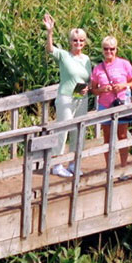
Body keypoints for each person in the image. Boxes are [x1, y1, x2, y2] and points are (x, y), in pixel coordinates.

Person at [43, 13, 92, 177]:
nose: (78, 43)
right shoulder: (64, 55)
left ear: (84, 42)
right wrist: (50, 32)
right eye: (75, 40)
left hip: (80, 96)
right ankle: (56, 164)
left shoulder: (86, 59)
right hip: (65, 96)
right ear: (70, 42)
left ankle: (73, 163)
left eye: (81, 40)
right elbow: (50, 50)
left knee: (78, 131)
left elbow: (89, 79)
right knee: (62, 129)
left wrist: (89, 87)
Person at [90, 36, 132, 174]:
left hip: (121, 103)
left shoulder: (124, 64)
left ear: (116, 49)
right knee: (107, 138)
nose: (109, 51)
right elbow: (93, 89)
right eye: (106, 49)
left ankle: (123, 167)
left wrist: (123, 85)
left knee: (122, 136)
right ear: (102, 50)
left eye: (112, 49)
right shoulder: (98, 68)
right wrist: (102, 90)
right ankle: (109, 168)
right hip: (105, 104)